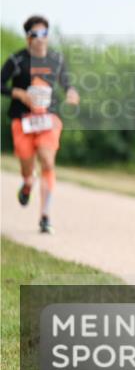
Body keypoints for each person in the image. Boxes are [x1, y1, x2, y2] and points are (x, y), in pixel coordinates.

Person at [1, 15, 80, 234]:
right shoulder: (16, 61)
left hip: (48, 119)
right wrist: (18, 93)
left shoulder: (57, 60)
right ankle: (27, 184)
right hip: (23, 121)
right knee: (28, 169)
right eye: (35, 34)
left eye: (44, 33)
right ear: (28, 38)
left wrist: (72, 93)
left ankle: (45, 216)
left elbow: (67, 83)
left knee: (47, 161)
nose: (40, 38)